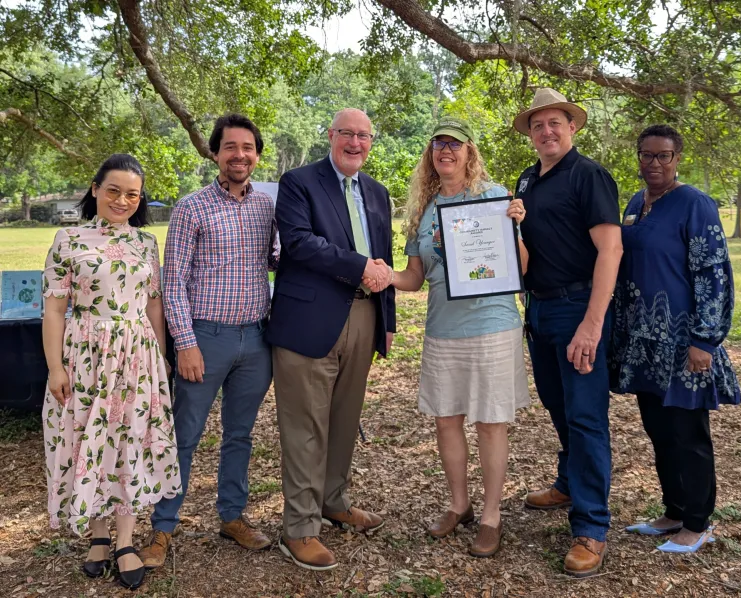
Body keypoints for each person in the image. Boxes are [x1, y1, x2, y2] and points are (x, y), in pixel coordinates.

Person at [376, 117, 530, 558]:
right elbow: (415, 278)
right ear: (430, 153)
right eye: (438, 144)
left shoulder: (493, 197)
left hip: (492, 325)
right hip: (443, 329)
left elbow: (521, 266)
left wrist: (514, 227)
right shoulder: (423, 211)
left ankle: (491, 516)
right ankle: (459, 505)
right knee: (446, 419)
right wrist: (386, 276)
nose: (446, 150)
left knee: (490, 422)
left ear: (469, 152)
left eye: (455, 144)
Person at [139, 114, 279, 568]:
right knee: (185, 435)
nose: (240, 155)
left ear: (256, 155)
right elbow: (173, 281)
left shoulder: (267, 207)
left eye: (248, 148)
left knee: (240, 434)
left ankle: (232, 516)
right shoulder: (191, 208)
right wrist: (185, 343)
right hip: (205, 337)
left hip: (256, 339)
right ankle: (163, 527)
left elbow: (275, 259)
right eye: (230, 147)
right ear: (215, 153)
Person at [42, 154, 181, 590]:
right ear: (96, 189)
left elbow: (154, 304)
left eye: (132, 195)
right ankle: (98, 535)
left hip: (137, 358)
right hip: (85, 357)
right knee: (89, 438)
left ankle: (124, 540)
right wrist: (55, 367)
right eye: (114, 191)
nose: (122, 200)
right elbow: (54, 309)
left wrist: (160, 357)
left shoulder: (146, 243)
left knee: (129, 441)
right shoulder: (68, 239)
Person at [267, 108, 395, 571]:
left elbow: (383, 258)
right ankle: (299, 528)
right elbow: (299, 243)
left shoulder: (377, 193)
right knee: (306, 426)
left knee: (344, 418)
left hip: (363, 315)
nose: (355, 143)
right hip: (309, 319)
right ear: (331, 135)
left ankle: (333, 501)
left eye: (364, 135)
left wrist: (387, 320)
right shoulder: (299, 183)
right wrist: (360, 267)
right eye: (347, 134)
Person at [611, 124, 741, 553]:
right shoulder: (636, 203)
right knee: (659, 430)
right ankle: (674, 511)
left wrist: (705, 340)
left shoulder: (695, 204)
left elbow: (713, 274)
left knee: (688, 433)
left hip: (684, 342)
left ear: (677, 158)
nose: (654, 163)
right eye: (646, 155)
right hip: (645, 342)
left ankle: (698, 523)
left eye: (663, 155)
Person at [512, 88, 622, 577]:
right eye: (538, 125)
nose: (546, 131)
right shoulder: (527, 179)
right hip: (539, 309)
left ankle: (592, 527)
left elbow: (611, 251)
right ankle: (569, 484)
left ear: (572, 127)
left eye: (555, 122)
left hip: (579, 308)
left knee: (585, 417)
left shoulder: (588, 175)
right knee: (558, 406)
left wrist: (592, 324)